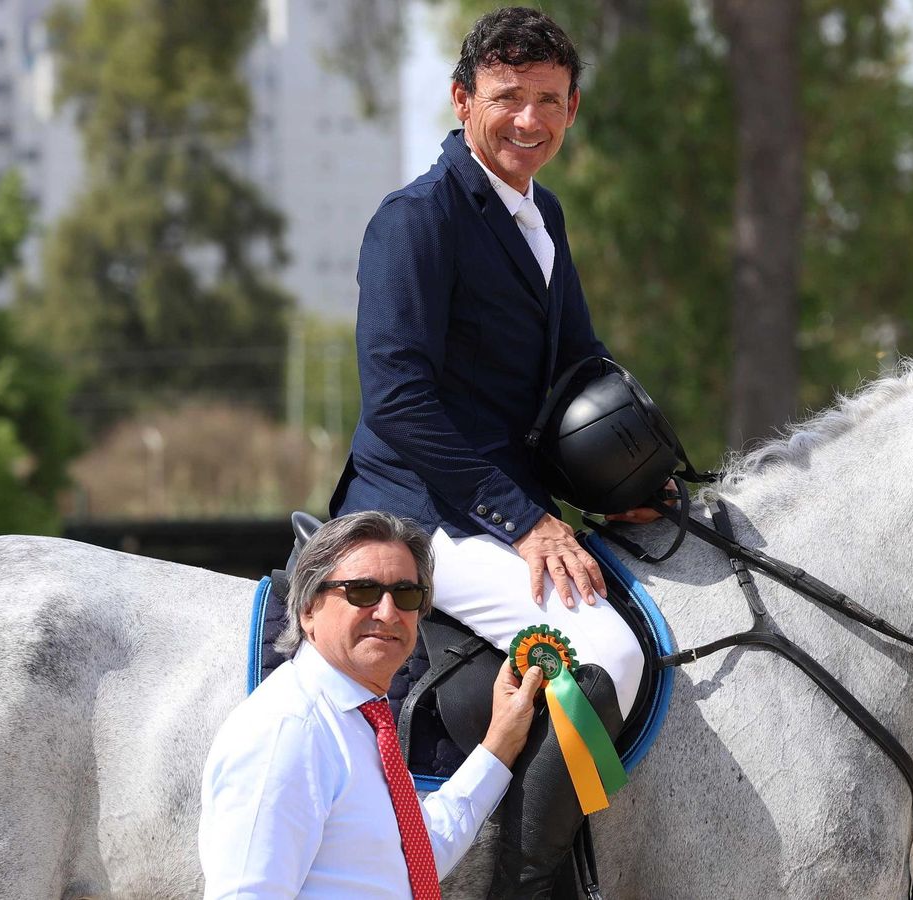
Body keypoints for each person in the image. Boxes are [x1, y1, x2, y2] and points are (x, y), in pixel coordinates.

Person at [326, 7, 648, 895]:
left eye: (548, 100)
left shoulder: (542, 214)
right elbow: (398, 401)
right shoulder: (416, 220)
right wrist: (527, 522)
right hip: (419, 511)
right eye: (507, 97)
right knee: (603, 653)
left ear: (573, 108)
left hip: (501, 503)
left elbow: (580, 366)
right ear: (463, 99)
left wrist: (642, 481)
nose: (528, 121)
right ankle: (515, 880)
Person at [199, 511, 543, 898]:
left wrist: (500, 743)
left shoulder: (363, 716)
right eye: (363, 591)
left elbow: (411, 858)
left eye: (406, 594)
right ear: (308, 608)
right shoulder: (287, 730)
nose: (388, 612)